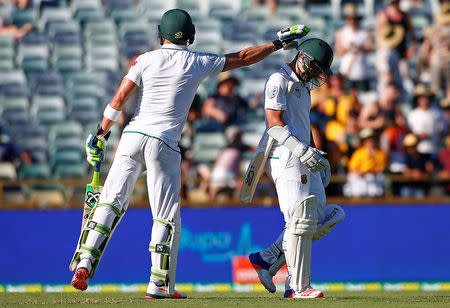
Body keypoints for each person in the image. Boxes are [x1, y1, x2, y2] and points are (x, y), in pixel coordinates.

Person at [68, 8, 309, 299]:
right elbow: (244, 57)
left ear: (161, 34)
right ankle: (158, 284)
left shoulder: (144, 60)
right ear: (191, 35)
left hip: (131, 138)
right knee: (165, 216)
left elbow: (119, 99)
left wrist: (99, 135)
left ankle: (85, 262)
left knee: (110, 203)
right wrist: (276, 43)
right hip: (164, 143)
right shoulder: (197, 61)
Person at [245, 38, 345, 298]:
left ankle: (266, 259)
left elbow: (302, 125)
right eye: (314, 67)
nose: (316, 74)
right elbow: (275, 125)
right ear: (302, 57)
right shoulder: (278, 80)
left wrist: (316, 154)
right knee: (299, 219)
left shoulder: (303, 87)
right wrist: (301, 150)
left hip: (303, 154)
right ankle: (298, 287)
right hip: (284, 156)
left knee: (319, 217)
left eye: (319, 71)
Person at [375, 0, 417, 95]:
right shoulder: (384, 15)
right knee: (386, 79)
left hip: (402, 53)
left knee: (402, 80)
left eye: (396, 2)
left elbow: (412, 35)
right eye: (393, 2)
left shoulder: (405, 16)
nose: (395, 4)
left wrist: (412, 48)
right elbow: (378, 35)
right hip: (387, 51)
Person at [334, 3, 373, 92]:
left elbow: (369, 48)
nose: (352, 21)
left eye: (353, 19)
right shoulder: (341, 32)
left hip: (362, 73)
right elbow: (338, 51)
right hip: (347, 72)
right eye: (349, 18)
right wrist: (349, 48)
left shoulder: (365, 32)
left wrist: (358, 48)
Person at [343, 128, 388, 197]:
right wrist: (360, 172)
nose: (370, 141)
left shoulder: (381, 154)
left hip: (375, 180)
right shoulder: (358, 153)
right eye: (368, 140)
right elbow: (352, 169)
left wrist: (370, 170)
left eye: (372, 139)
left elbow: (382, 169)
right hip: (361, 179)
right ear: (364, 141)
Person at [400, 133, 434, 198]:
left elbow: (429, 170)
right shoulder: (407, 157)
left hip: (421, 186)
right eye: (407, 147)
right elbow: (405, 171)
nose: (409, 149)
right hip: (409, 186)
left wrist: (421, 174)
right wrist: (413, 173)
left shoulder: (425, 157)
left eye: (411, 146)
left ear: (416, 146)